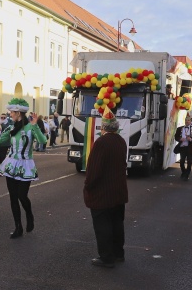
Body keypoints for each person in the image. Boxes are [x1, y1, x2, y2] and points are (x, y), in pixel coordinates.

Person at [0, 98, 45, 238]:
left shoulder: (31, 127)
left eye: (12, 112)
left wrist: (36, 125)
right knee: (13, 197)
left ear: (19, 113)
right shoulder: (10, 127)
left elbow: (43, 141)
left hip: (25, 164)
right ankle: (18, 227)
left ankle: (29, 214)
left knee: (22, 195)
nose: (10, 115)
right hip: (11, 164)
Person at [83, 108, 128, 268]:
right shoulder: (121, 141)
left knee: (103, 226)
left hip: (103, 193)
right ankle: (118, 253)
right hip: (118, 191)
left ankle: (106, 257)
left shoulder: (101, 143)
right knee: (117, 223)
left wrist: (88, 186)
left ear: (103, 127)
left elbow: (94, 170)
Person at [174, 115, 192, 181]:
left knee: (189, 162)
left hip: (190, 148)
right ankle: (184, 172)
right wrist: (180, 139)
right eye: (186, 120)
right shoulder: (180, 129)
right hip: (182, 147)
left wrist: (190, 139)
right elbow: (176, 137)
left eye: (188, 120)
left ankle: (187, 175)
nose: (187, 122)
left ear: (190, 122)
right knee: (182, 162)